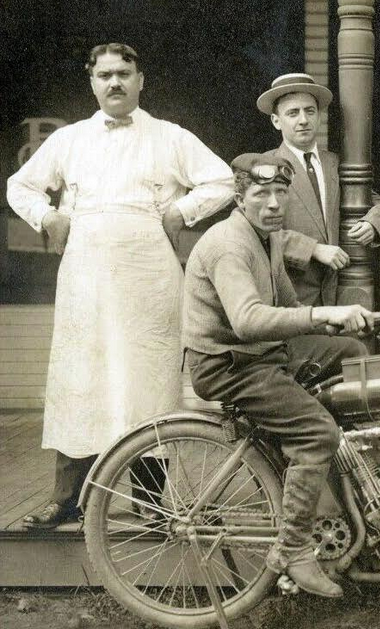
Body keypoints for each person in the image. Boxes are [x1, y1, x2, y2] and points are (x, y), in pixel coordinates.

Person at [7, 43, 234, 530]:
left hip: (149, 278)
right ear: (92, 82)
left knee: (146, 386)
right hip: (86, 276)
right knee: (79, 379)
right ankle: (67, 498)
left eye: (124, 73)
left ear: (140, 79)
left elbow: (222, 181)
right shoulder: (68, 140)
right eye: (105, 74)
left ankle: (152, 505)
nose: (115, 82)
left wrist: (181, 212)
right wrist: (48, 217)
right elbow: (19, 186)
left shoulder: (169, 137)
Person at [183, 153, 371, 597]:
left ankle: (350, 496)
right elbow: (248, 320)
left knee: (353, 354)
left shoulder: (264, 237)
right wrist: (323, 311)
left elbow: (288, 308)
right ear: (239, 197)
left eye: (280, 193)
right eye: (261, 193)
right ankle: (292, 548)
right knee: (316, 432)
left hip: (259, 354)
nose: (273, 203)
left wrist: (342, 320)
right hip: (230, 365)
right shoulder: (229, 244)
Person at [257, 73, 380, 305]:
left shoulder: (336, 164)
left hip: (339, 296)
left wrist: (374, 223)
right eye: (292, 113)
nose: (303, 120)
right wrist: (313, 249)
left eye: (310, 111)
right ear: (276, 121)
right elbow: (257, 231)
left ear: (319, 116)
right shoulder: (265, 167)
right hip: (290, 300)